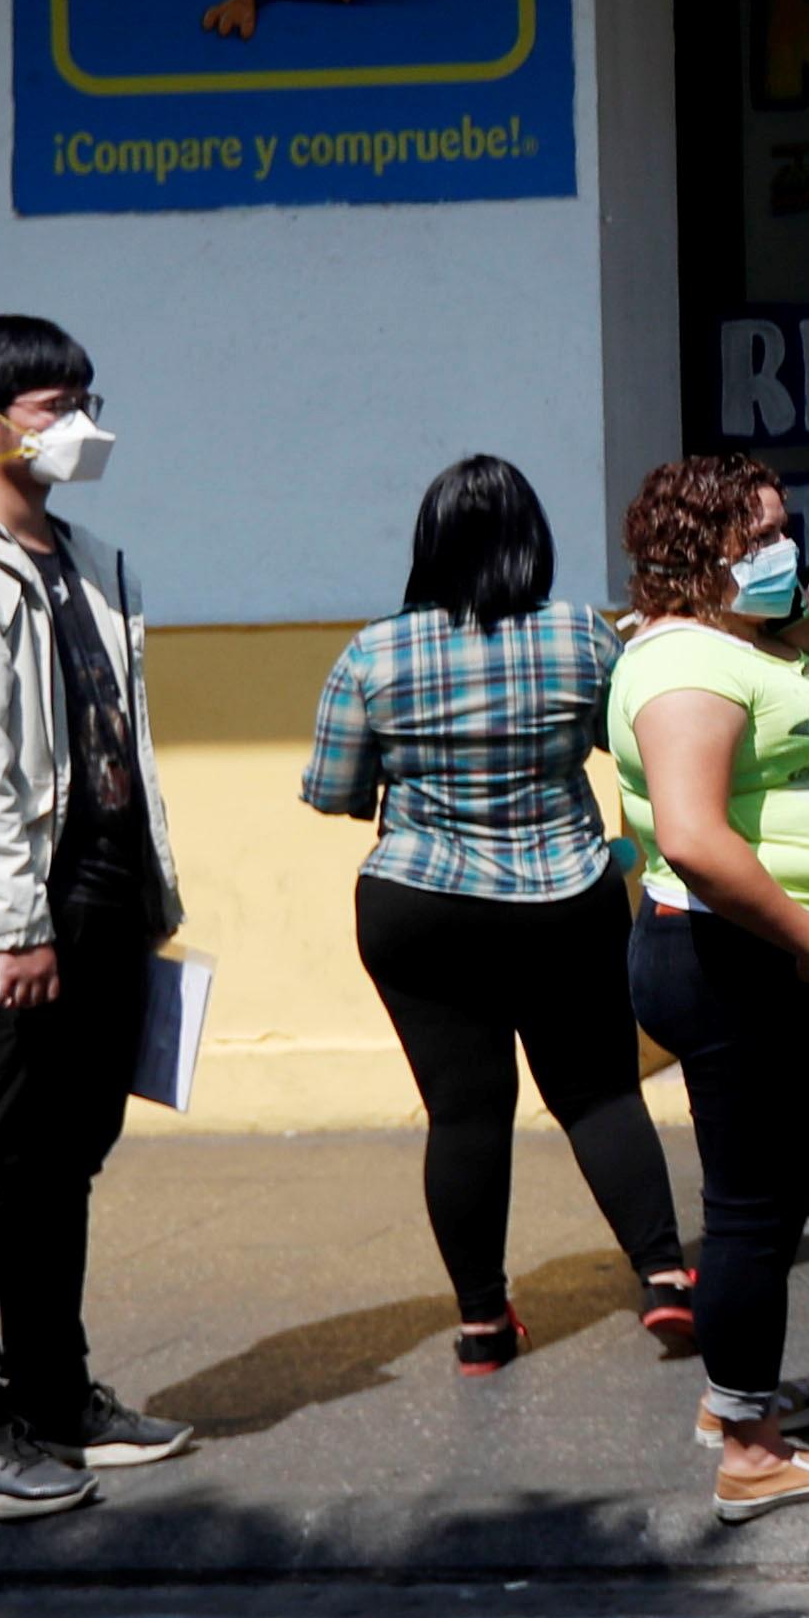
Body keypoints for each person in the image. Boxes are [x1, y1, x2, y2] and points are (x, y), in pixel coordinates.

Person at [0, 317, 198, 1522]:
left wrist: (145, 892)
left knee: (65, 1163)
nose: (79, 427)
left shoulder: (85, 555)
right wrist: (18, 923)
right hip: (7, 914)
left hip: (102, 893)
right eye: (54, 406)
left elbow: (116, 736)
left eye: (83, 400)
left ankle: (54, 1395)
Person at [302, 454, 693, 1376]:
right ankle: (667, 1277)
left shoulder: (373, 652)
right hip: (563, 896)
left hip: (419, 908)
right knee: (598, 1092)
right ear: (533, 541)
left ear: (428, 545)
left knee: (464, 1114)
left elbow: (332, 790)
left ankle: (483, 1323)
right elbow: (639, 747)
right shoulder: (581, 639)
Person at [611, 454, 809, 1526]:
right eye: (758, 535)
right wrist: (807, 937)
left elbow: (792, 755)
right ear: (698, 556)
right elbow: (691, 835)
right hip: (734, 960)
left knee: (784, 1177)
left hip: (764, 961)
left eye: (782, 528)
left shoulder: (739, 647)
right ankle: (750, 1450)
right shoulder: (681, 669)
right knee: (749, 1206)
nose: (784, 548)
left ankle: (743, 1395)